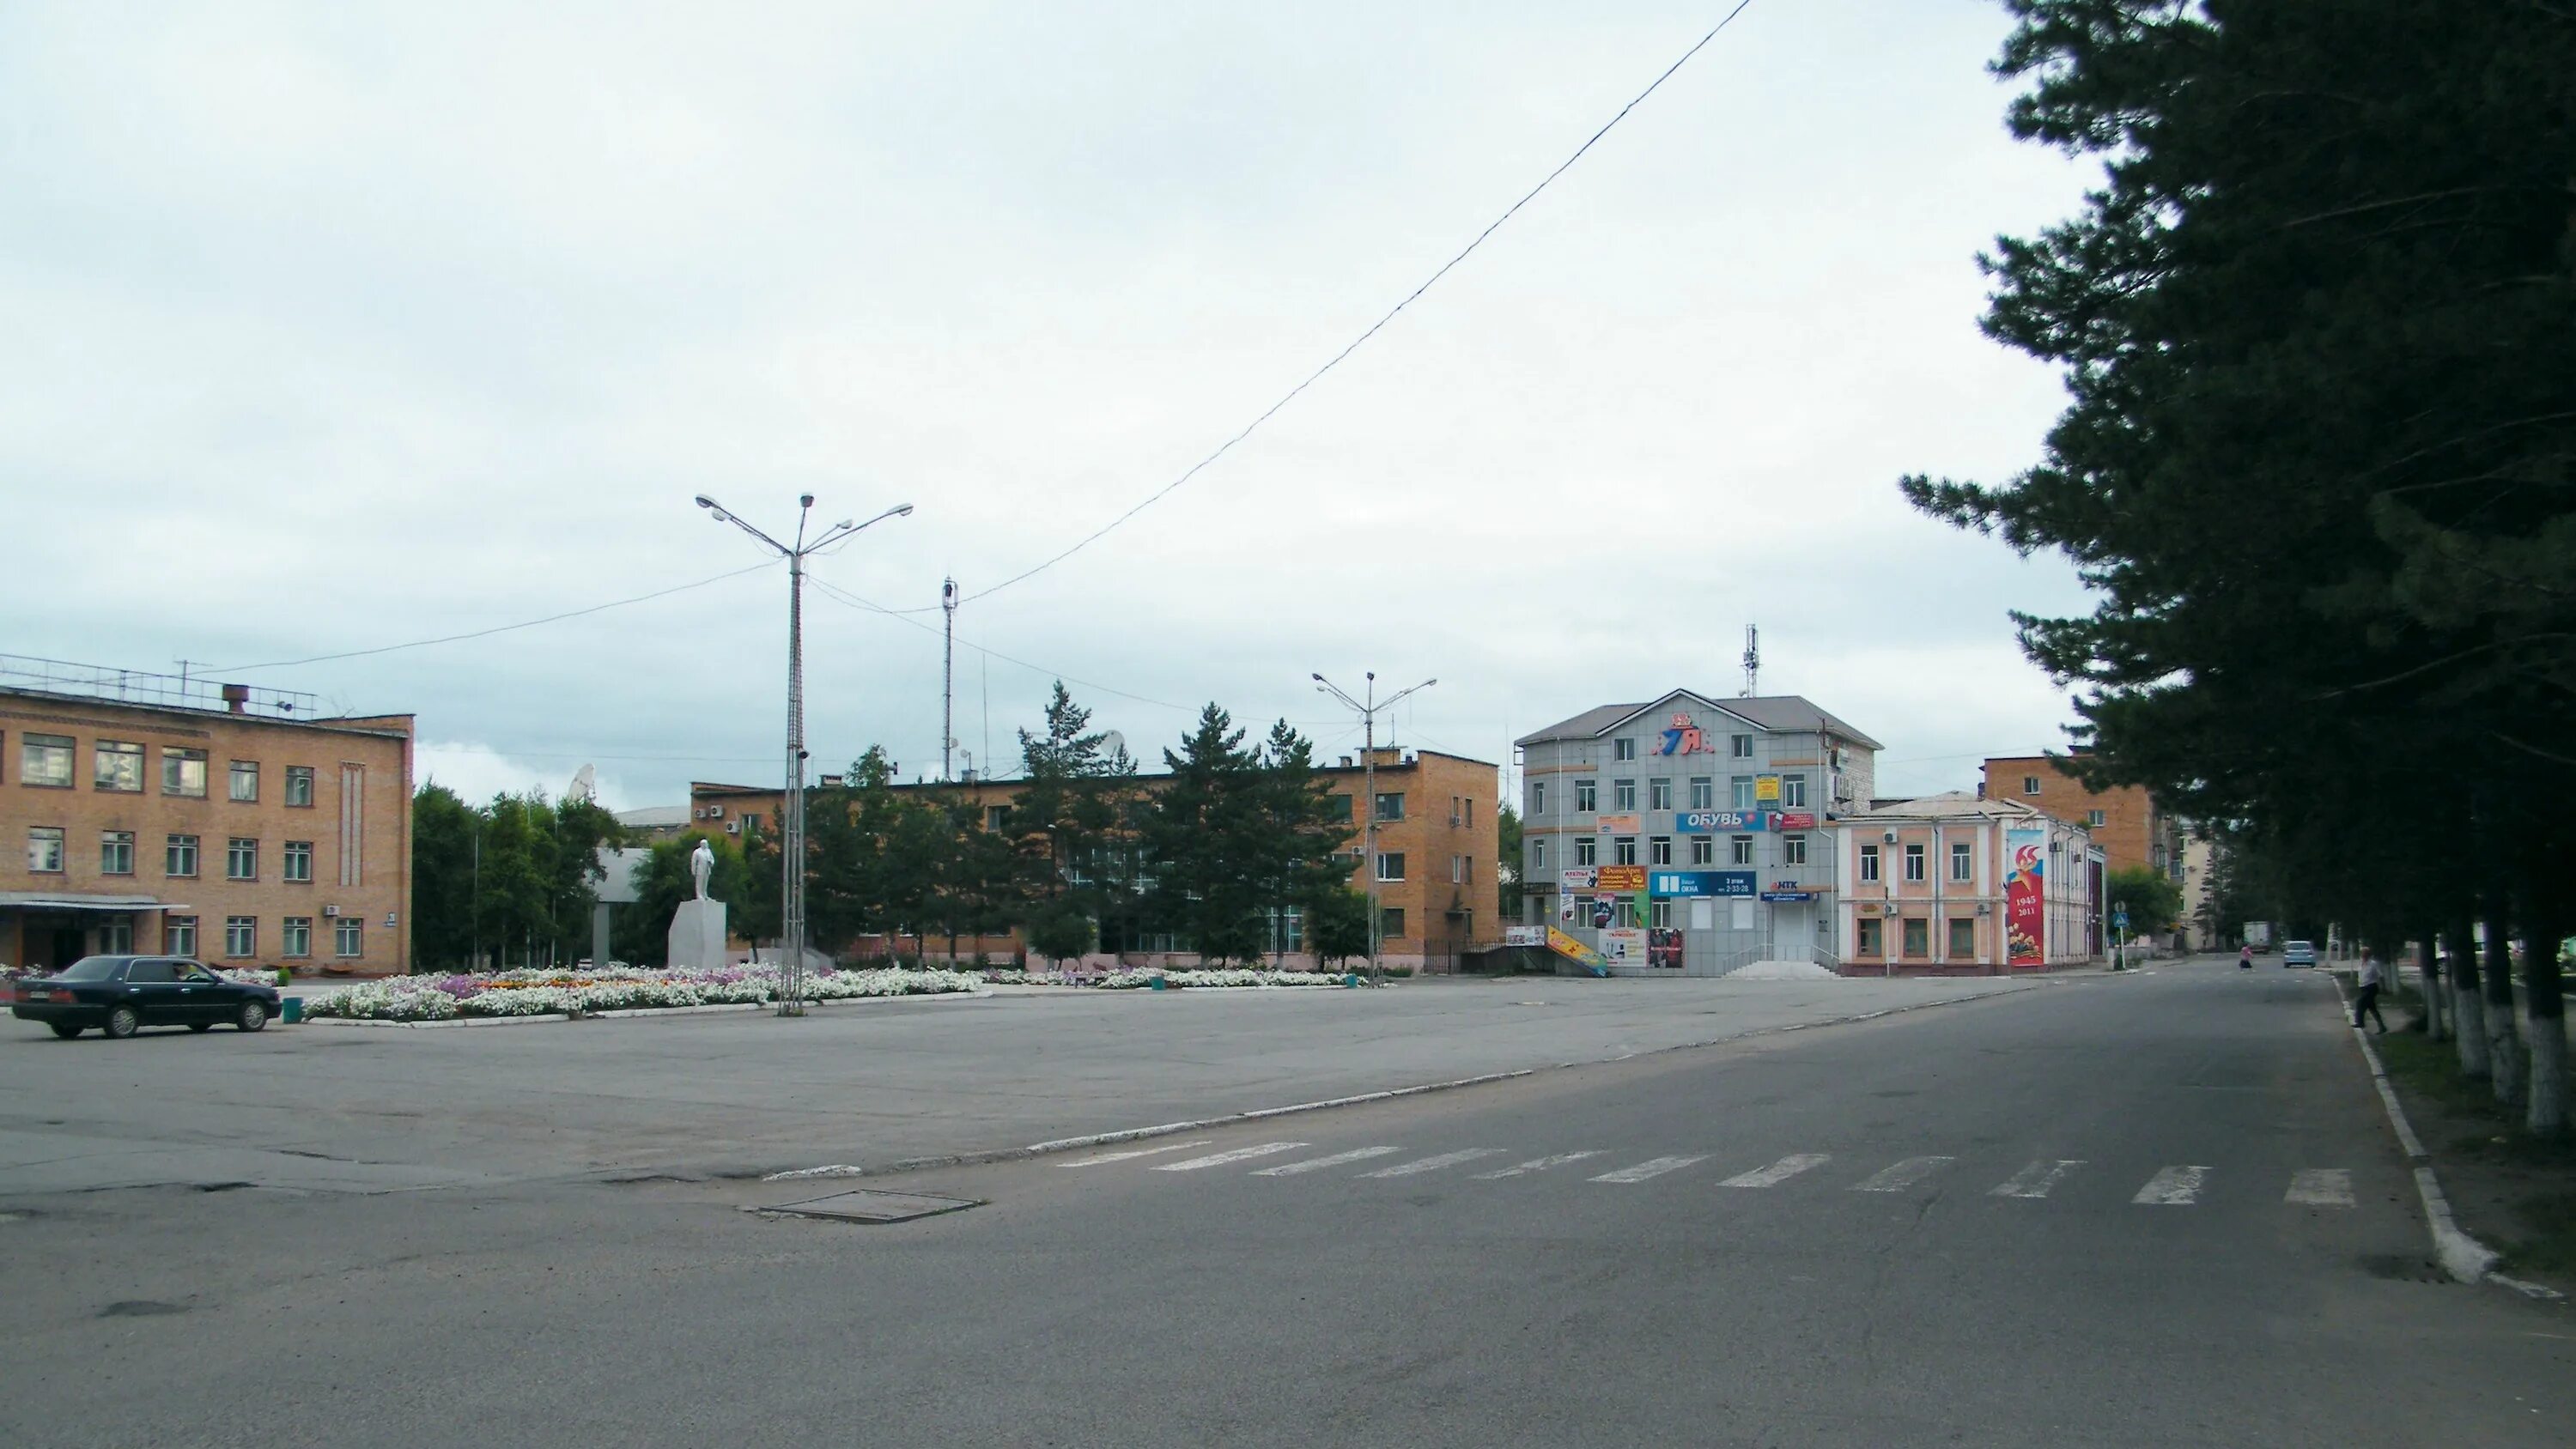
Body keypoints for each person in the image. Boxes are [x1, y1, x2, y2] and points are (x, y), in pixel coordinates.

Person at [2353, 949, 2388, 1034]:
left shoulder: (2373, 964)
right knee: (2372, 1008)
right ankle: (2382, 1027)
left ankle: (2360, 1023)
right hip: (2363, 988)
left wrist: (2383, 987)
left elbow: (2381, 976)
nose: (2363, 956)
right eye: (2362, 954)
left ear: (2368, 955)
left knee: (2360, 1002)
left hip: (2371, 988)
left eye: (2365, 955)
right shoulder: (2360, 963)